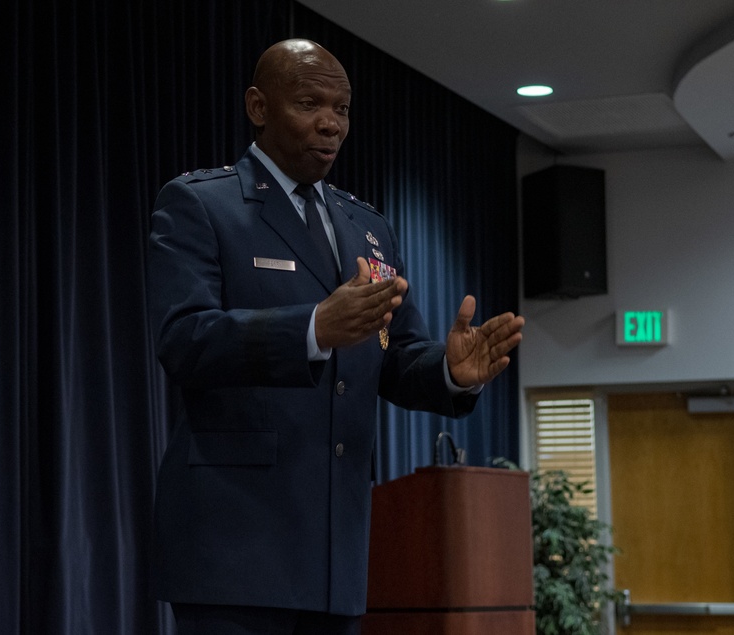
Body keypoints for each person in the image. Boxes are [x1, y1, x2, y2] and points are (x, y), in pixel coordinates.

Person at [146, 38, 525, 635]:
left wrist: (451, 371)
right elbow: (184, 339)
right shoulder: (202, 205)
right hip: (236, 546)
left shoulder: (367, 227)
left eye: (342, 109)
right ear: (258, 107)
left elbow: (396, 356)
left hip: (336, 550)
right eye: (309, 103)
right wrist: (313, 328)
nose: (330, 124)